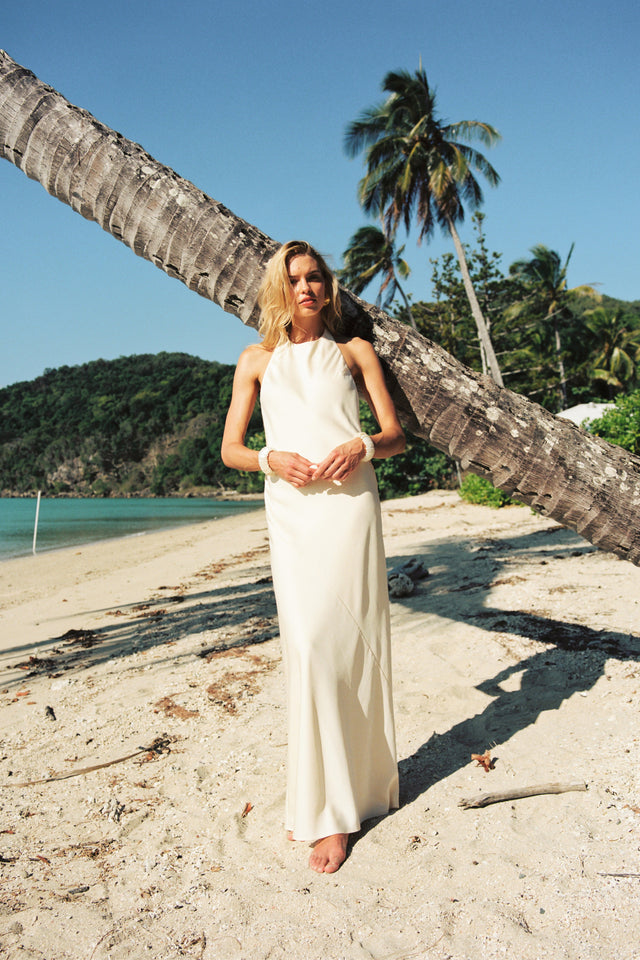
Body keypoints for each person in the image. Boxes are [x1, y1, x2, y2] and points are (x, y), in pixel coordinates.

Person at [221, 240, 405, 873]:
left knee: (348, 645)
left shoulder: (355, 353)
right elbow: (231, 449)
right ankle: (325, 802)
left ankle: (343, 808)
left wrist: (361, 446)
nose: (306, 287)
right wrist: (269, 458)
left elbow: (394, 435)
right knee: (308, 645)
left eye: (316, 277)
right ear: (280, 288)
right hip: (292, 513)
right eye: (295, 278)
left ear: (329, 287)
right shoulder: (255, 360)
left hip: (350, 507)